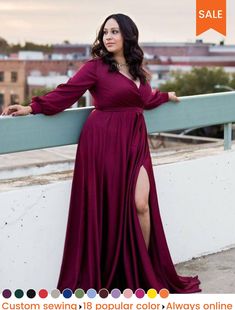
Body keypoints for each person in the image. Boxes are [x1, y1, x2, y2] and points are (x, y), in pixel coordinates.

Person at [2, 13, 201, 293]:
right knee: (109, 208)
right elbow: (67, 92)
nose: (108, 36)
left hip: (134, 141)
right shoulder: (95, 67)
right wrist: (31, 107)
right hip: (103, 142)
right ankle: (118, 274)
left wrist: (165, 96)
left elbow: (144, 99)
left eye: (115, 32)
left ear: (128, 36)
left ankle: (140, 274)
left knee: (141, 204)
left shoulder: (136, 68)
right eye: (105, 32)